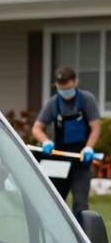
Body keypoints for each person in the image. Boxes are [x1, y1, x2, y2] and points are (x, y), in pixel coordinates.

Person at [31, 66, 101, 218]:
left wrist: (89, 147)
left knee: (80, 203)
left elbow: (95, 127)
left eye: (67, 87)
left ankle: (82, 235)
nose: (64, 91)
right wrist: (46, 142)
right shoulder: (53, 103)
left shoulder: (86, 100)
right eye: (61, 88)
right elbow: (37, 128)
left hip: (81, 158)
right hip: (59, 158)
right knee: (55, 200)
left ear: (75, 82)